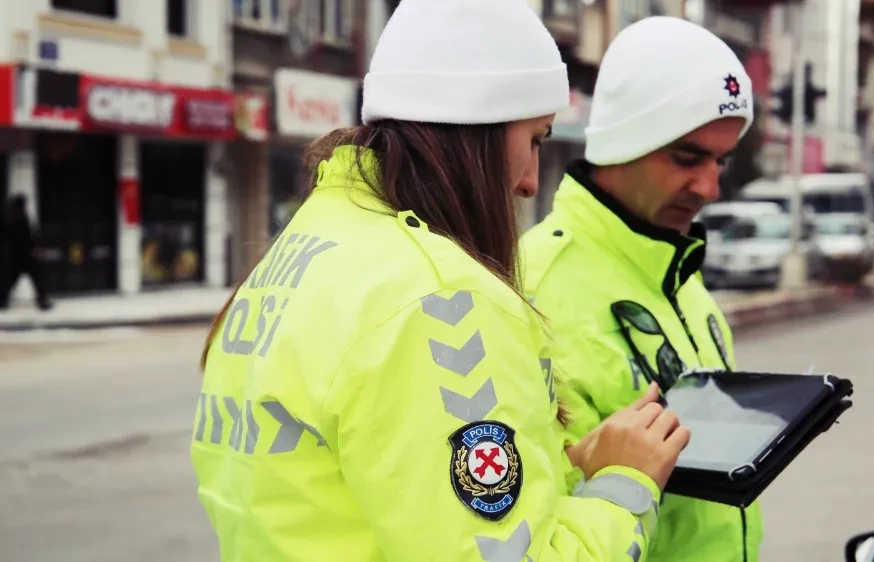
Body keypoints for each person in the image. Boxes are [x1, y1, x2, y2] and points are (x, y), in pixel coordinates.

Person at [190, 1, 691, 561]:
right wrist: (625, 484)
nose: (530, 182)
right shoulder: (441, 300)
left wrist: (564, 468)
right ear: (480, 132)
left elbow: (365, 494)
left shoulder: (302, 252)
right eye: (536, 139)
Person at [520, 16, 762, 562]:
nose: (708, 187)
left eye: (721, 161)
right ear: (623, 141)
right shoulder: (529, 287)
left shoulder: (682, 283)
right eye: (687, 157)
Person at [0, 194, 52, 310]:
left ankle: (3, 300)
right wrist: (33, 248)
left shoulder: (12, 216)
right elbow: (26, 236)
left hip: (17, 256)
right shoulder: (18, 217)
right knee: (37, 279)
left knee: (12, 280)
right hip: (24, 255)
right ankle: (42, 301)